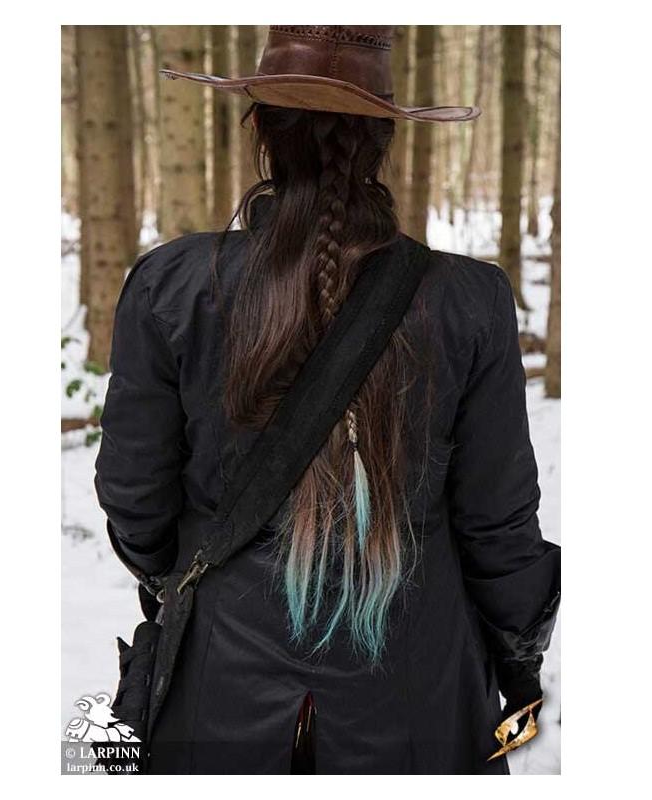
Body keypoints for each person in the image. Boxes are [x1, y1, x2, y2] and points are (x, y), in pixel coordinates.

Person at [94, 25, 560, 775]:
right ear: (384, 139)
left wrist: (180, 585)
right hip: (418, 696)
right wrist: (521, 663)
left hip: (219, 688)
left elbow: (133, 495)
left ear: (259, 128)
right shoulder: (468, 301)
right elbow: (498, 522)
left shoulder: (172, 286)